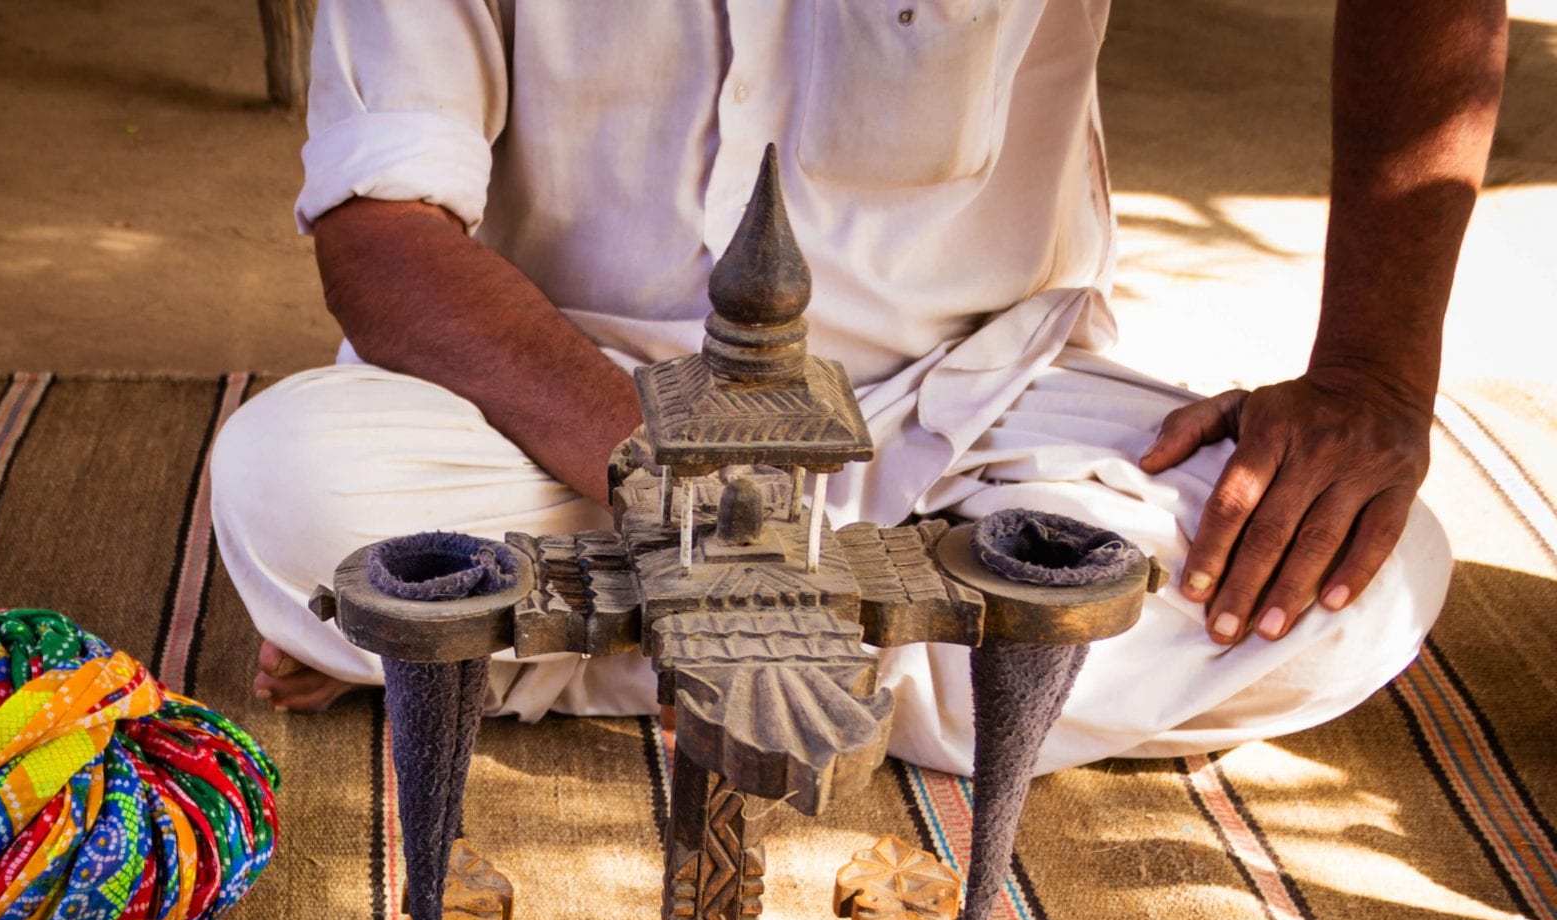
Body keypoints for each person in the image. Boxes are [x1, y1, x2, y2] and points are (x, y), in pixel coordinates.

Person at [209, 1, 1507, 773]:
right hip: (571, 428)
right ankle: (802, 645)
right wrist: (681, 500)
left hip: (974, 417)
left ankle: (548, 655)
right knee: (290, 485)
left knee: (1360, 584)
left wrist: (1370, 372)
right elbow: (384, 237)